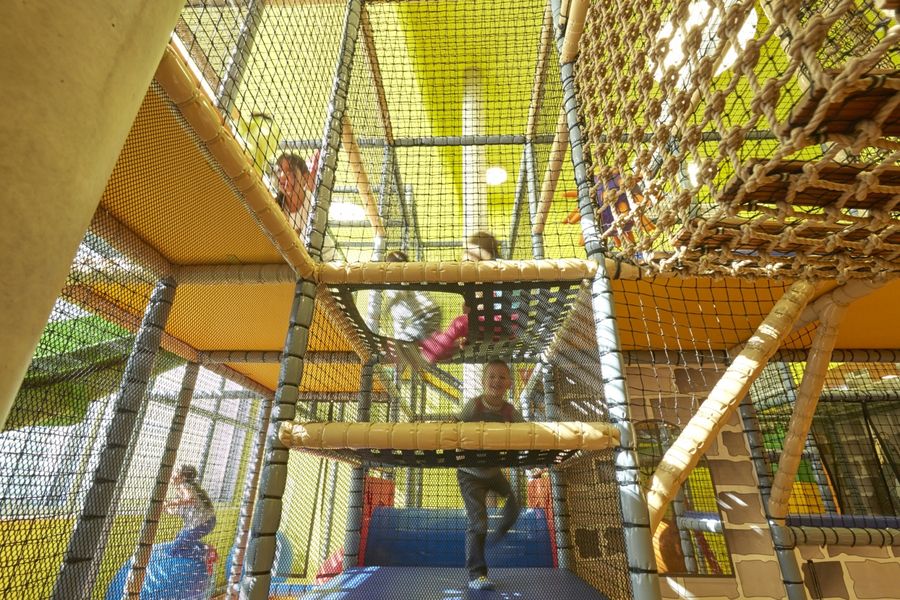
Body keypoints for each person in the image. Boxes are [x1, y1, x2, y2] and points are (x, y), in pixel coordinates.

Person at [456, 359, 523, 591]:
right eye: (492, 376)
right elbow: (456, 427)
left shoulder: (510, 411)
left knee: (514, 501)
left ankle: (500, 530)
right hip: (469, 472)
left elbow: (526, 432)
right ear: (483, 381)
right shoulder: (474, 405)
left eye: (502, 377)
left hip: (493, 471)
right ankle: (477, 575)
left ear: (509, 383)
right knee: (478, 521)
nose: (497, 380)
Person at [419, 231, 501, 362]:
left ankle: (434, 350)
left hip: (498, 322)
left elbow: (479, 308)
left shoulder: (491, 276)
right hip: (496, 328)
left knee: (459, 323)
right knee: (462, 332)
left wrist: (470, 307)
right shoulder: (493, 276)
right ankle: (442, 347)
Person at [274, 151, 336, 261]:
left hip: (326, 260)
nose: (282, 177)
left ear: (304, 177)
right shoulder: (275, 206)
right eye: (279, 171)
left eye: (290, 171)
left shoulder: (314, 203)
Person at [383, 250, 441, 342]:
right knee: (432, 344)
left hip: (426, 316)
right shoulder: (406, 277)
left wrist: (389, 305)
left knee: (404, 341)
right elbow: (398, 317)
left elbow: (402, 293)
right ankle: (452, 344)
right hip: (432, 313)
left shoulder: (402, 281)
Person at [165, 464, 216, 557]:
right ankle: (206, 548)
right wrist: (166, 508)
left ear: (183, 477)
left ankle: (206, 553)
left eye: (176, 471)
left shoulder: (184, 485)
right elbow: (178, 509)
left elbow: (191, 500)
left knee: (173, 551)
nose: (172, 473)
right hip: (207, 522)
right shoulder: (183, 490)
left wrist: (171, 503)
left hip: (201, 524)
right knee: (180, 538)